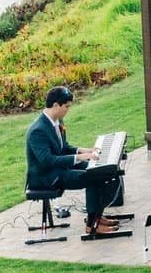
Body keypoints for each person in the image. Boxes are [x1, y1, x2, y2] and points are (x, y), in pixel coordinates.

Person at [23, 85, 122, 236]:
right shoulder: (38, 130)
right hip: (47, 177)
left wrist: (84, 151)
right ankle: (92, 225)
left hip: (59, 169)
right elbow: (47, 161)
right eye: (66, 106)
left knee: (100, 171)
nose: (68, 110)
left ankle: (96, 216)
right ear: (56, 105)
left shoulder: (57, 122)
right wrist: (79, 158)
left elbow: (63, 147)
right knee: (93, 177)